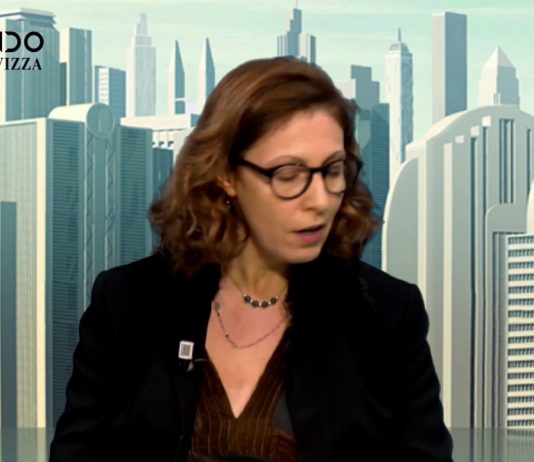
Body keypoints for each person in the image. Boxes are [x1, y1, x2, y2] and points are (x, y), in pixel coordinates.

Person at [49, 56, 454, 462]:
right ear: (226, 174)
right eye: (288, 174)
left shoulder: (386, 315)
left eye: (333, 170)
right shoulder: (127, 302)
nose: (320, 201)